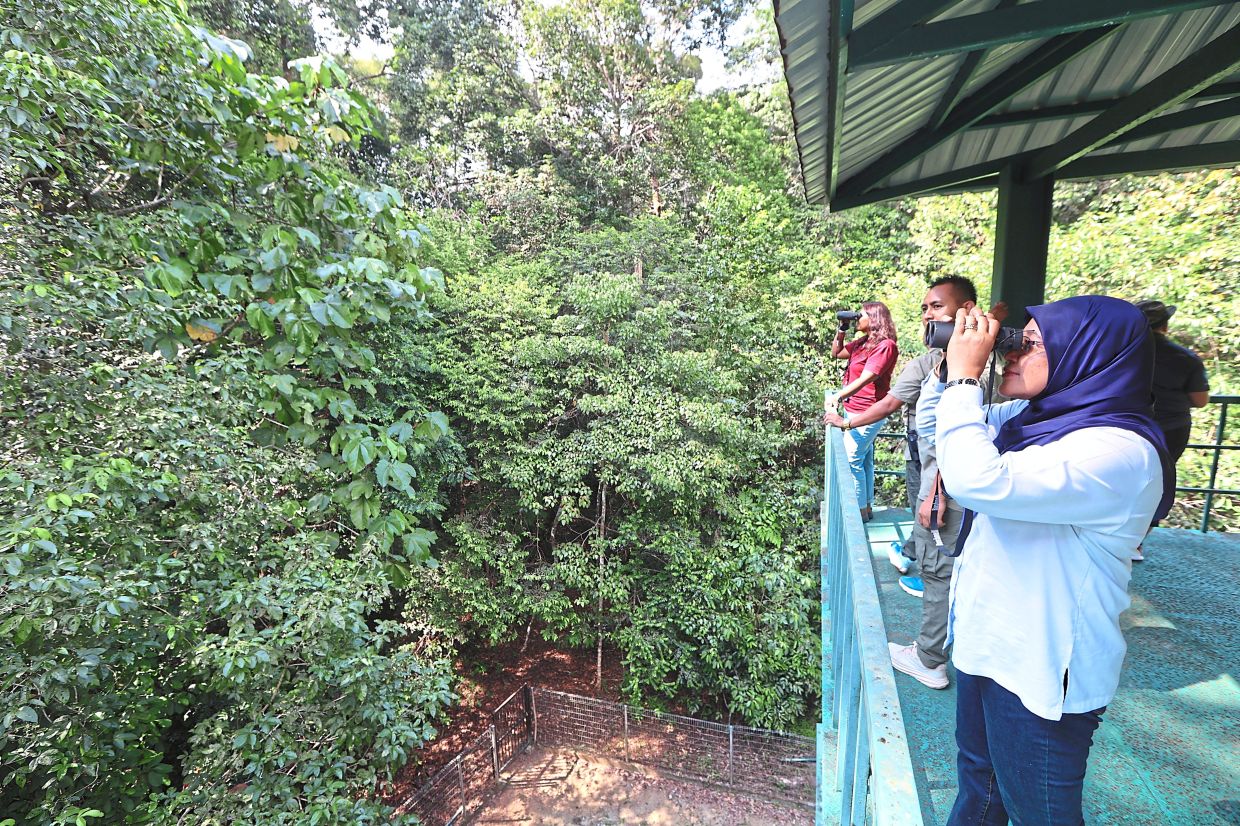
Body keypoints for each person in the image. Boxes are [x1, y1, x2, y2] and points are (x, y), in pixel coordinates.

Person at [934, 297, 1173, 826]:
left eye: (1031, 343)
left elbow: (975, 479)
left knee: (1039, 814)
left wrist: (967, 378)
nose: (1012, 352)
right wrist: (950, 366)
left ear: (1084, 354)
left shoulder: (1118, 451)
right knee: (979, 792)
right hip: (988, 643)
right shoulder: (1035, 418)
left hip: (1042, 666)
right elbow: (946, 428)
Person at [826, 276, 1001, 691]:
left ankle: (929, 659)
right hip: (955, 483)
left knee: (938, 572)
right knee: (952, 567)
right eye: (924, 308)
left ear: (966, 310)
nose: (927, 316)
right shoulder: (932, 364)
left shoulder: (986, 368)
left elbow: (961, 431)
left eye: (937, 307)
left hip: (954, 488)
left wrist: (935, 488)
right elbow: (892, 400)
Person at [1132, 299, 1209, 558]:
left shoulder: (1120, 352)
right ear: (1165, 325)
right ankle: (1136, 541)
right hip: (1170, 428)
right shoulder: (1186, 358)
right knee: (1158, 481)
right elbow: (1200, 400)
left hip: (1127, 424)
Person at [826, 301, 899, 521]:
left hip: (869, 411)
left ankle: (857, 515)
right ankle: (865, 508)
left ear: (874, 318)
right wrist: (842, 329)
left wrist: (837, 396)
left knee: (851, 460)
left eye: (861, 314)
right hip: (853, 408)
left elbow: (867, 378)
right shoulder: (863, 342)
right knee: (864, 459)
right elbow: (836, 353)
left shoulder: (885, 346)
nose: (857, 318)